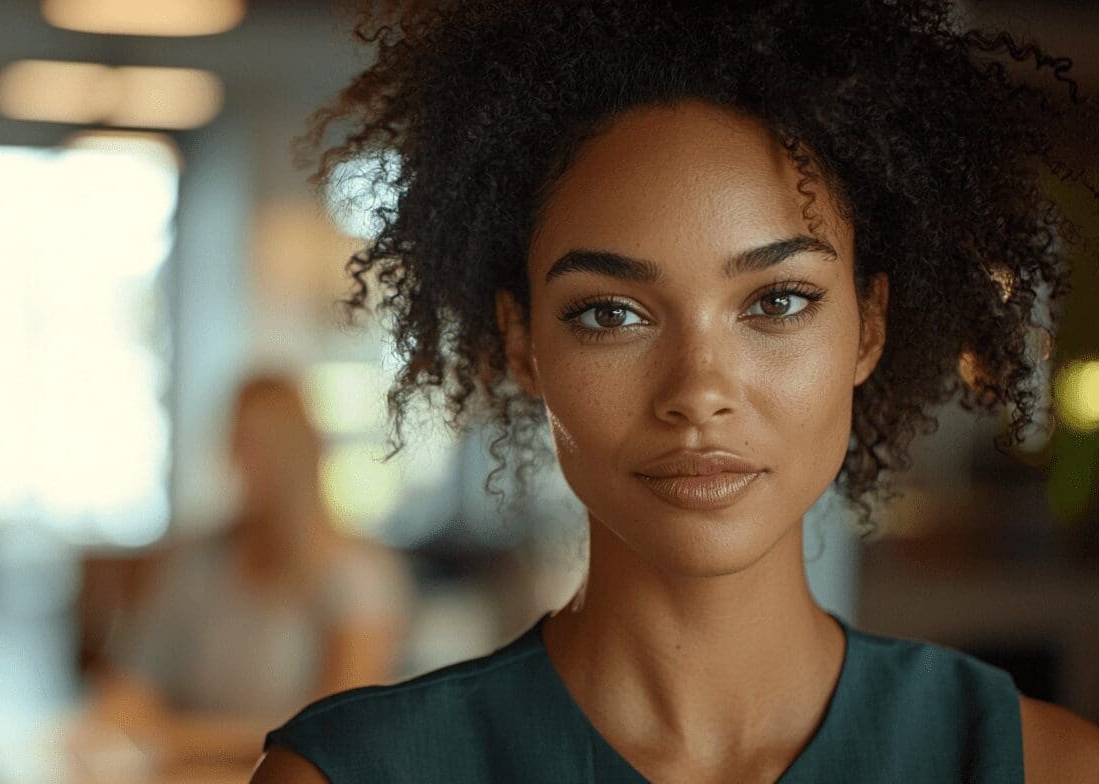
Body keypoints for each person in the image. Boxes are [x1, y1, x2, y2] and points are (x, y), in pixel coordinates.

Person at [252, 2, 1099, 782]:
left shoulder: (1041, 765)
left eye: (777, 301)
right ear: (522, 344)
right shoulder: (351, 776)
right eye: (612, 313)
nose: (698, 391)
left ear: (869, 328)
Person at [91, 375, 412, 768]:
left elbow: (341, 727)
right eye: (240, 442)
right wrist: (122, 724)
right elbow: (132, 685)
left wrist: (184, 740)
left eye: (265, 445)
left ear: (304, 453)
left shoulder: (356, 575)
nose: (247, 461)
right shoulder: (196, 561)